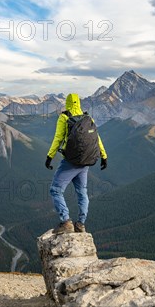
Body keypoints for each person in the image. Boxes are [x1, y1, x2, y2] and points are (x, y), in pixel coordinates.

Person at [45, 93, 107, 234]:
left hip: (70, 162)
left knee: (55, 190)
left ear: (67, 103)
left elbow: (58, 139)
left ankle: (66, 221)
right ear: (78, 103)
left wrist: (50, 156)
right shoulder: (88, 118)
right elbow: (97, 139)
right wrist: (104, 156)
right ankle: (81, 224)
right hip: (86, 162)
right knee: (82, 192)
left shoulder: (64, 118)